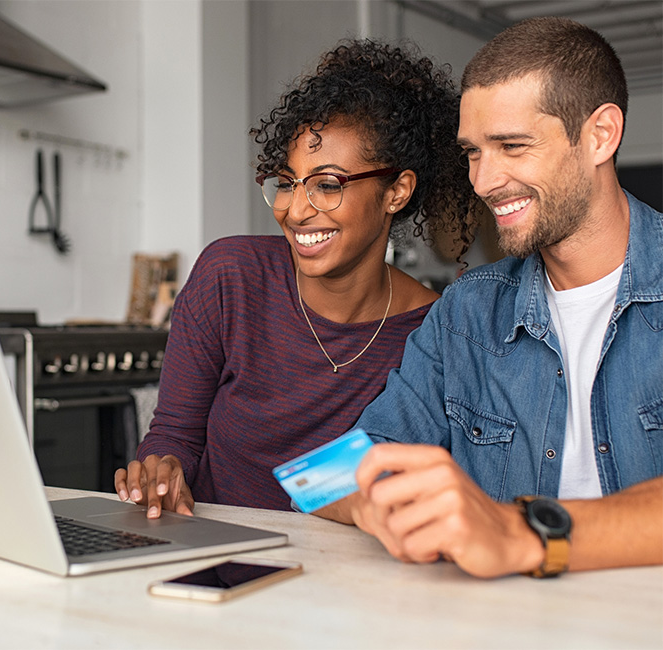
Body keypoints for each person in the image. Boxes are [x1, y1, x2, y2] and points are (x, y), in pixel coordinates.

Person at [320, 17, 663, 578]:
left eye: (511, 146)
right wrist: (381, 500)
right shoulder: (464, 314)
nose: (482, 181)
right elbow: (325, 476)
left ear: (600, 135)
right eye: (473, 152)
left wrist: (520, 532)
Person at [114, 39, 477, 518]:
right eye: (287, 182)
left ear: (397, 192)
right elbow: (174, 434)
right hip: (203, 568)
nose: (296, 210)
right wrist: (160, 474)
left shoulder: (433, 332)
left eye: (328, 185)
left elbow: (375, 481)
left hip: (331, 584)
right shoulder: (230, 277)